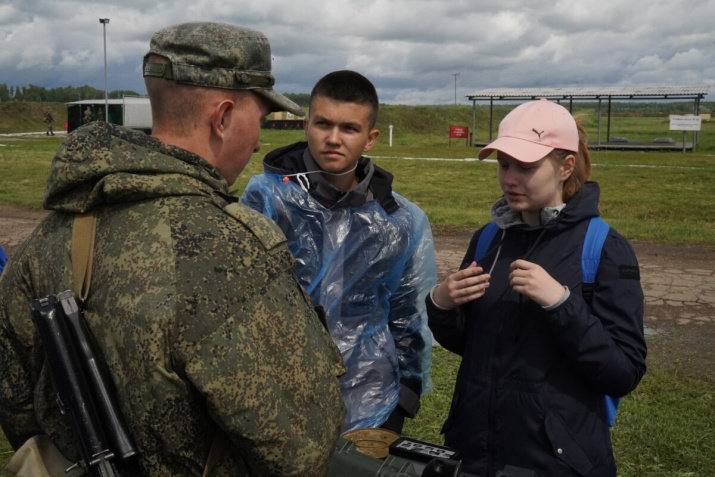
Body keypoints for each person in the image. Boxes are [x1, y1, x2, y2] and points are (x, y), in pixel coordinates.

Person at [0, 21, 346, 476]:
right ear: (222, 117)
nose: (260, 139)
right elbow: (301, 447)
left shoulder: (49, 235)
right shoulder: (231, 251)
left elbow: (17, 403)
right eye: (258, 119)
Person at [426, 99, 647, 476]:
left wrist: (561, 304)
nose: (509, 178)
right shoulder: (488, 239)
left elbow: (622, 372)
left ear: (566, 167)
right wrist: (441, 304)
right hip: (475, 453)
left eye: (526, 167)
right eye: (503, 164)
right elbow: (472, 345)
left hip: (558, 462)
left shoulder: (604, 247)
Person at [241, 70, 437, 434]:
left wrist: (406, 393)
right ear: (306, 126)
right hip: (280, 399)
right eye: (323, 124)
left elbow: (409, 309)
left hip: (372, 400)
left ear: (371, 137)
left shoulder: (399, 220)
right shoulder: (267, 200)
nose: (333, 139)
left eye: (349, 128)